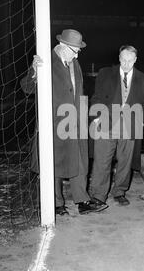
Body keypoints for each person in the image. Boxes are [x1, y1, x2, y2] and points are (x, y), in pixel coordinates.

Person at [20, 29, 107, 215]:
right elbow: (27, 88)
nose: (78, 54)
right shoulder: (46, 62)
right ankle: (57, 204)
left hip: (77, 122)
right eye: (74, 50)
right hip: (55, 123)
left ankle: (82, 201)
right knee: (56, 164)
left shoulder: (74, 63)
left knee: (80, 162)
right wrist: (34, 71)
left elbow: (79, 92)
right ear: (62, 47)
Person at [89, 45, 144, 207]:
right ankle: (98, 195)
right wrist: (97, 118)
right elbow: (96, 97)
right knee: (102, 161)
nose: (126, 63)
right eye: (123, 59)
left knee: (125, 162)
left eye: (130, 60)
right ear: (119, 58)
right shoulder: (105, 73)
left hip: (130, 126)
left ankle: (119, 192)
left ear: (135, 60)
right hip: (106, 123)